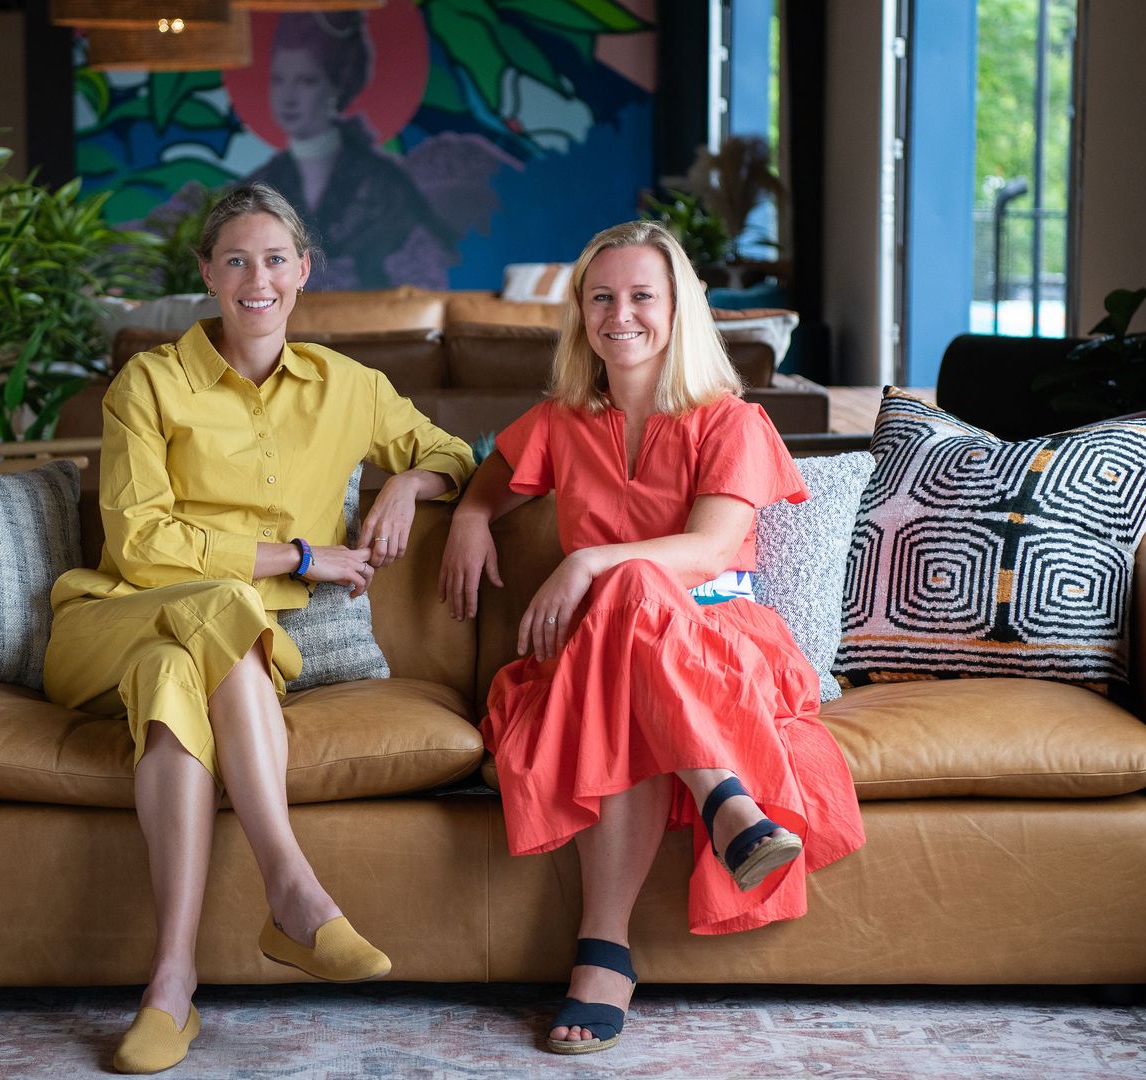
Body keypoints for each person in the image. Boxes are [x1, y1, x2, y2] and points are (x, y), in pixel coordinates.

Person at [44, 183, 475, 1074]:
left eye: (275, 259)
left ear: (303, 271)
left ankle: (170, 986)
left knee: (179, 677)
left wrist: (404, 485)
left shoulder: (349, 386)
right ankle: (292, 887)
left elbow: (454, 455)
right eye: (235, 260)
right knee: (217, 610)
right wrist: (299, 559)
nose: (257, 278)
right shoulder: (149, 383)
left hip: (229, 656)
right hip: (112, 622)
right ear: (206, 273)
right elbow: (139, 540)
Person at [438, 221, 866, 1055]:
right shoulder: (562, 421)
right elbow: (491, 474)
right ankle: (727, 806)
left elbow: (709, 549)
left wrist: (591, 561)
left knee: (633, 587)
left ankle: (604, 952)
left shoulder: (730, 421)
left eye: (642, 295)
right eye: (602, 296)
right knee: (622, 629)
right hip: (597, 658)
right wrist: (470, 513)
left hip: (719, 645)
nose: (619, 313)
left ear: (679, 310)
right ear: (581, 314)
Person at [247, 10, 454, 289]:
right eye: (279, 79)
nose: (289, 96)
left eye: (307, 81)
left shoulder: (383, 183)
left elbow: (426, 268)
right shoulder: (259, 184)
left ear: (336, 86)